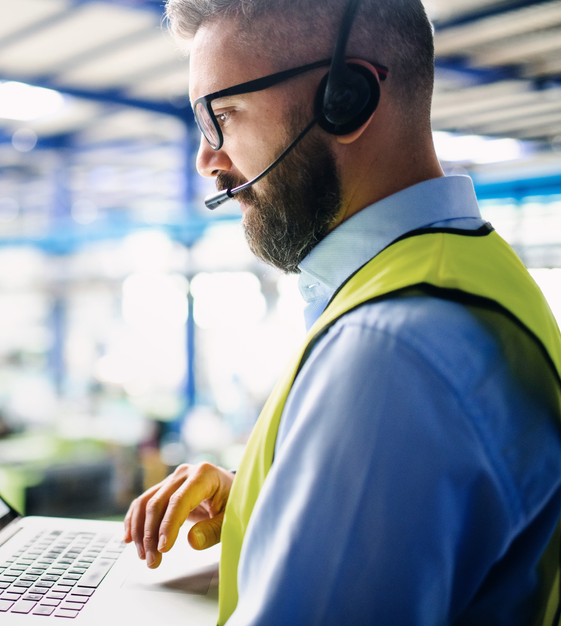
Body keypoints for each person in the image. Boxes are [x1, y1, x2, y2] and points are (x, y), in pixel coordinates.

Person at [123, 0, 561, 624]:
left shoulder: (391, 352)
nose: (208, 158)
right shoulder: (472, 269)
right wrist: (269, 496)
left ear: (347, 99)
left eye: (223, 115)